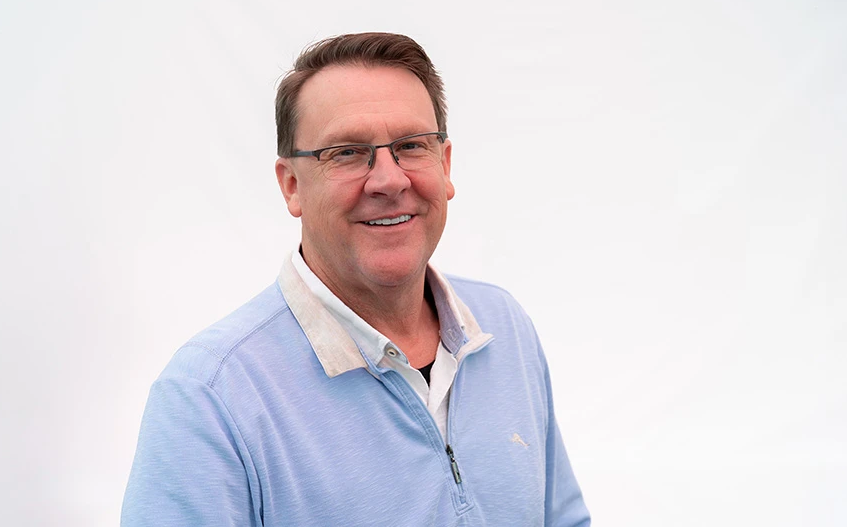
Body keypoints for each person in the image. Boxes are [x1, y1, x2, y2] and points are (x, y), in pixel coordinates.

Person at [122, 32, 591, 526]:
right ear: (291, 186)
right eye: (346, 152)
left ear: (445, 165)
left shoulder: (503, 329)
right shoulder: (211, 396)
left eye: (411, 146)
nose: (389, 180)